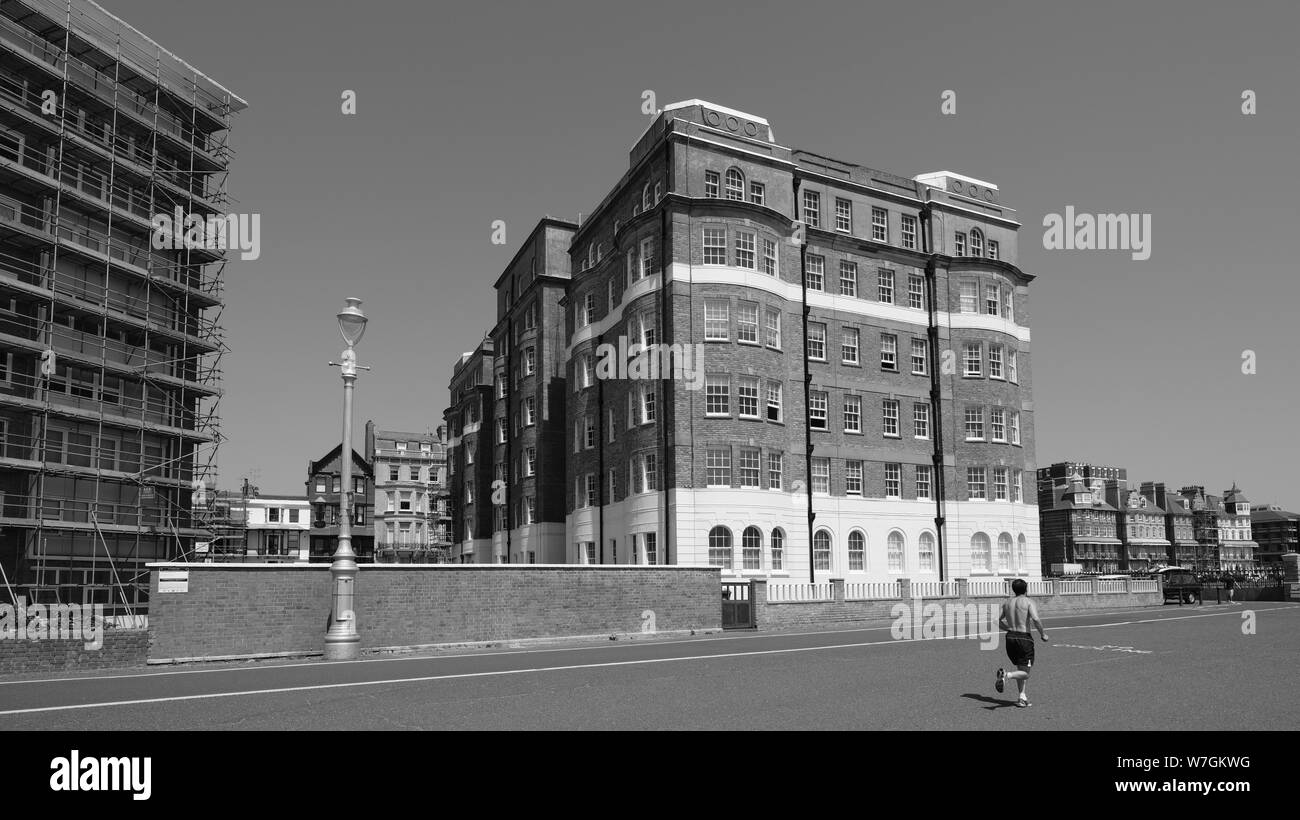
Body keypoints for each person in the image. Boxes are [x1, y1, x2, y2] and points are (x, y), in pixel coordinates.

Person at [995, 578, 1048, 707]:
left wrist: (1007, 628)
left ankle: (1022, 698)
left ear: (1013, 589)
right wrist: (1043, 634)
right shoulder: (1029, 602)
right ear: (1026, 589)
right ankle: (1006, 675)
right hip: (1024, 638)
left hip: (1010, 638)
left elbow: (995, 620)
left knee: (1021, 668)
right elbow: (1035, 618)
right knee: (1025, 673)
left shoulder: (1007, 603)